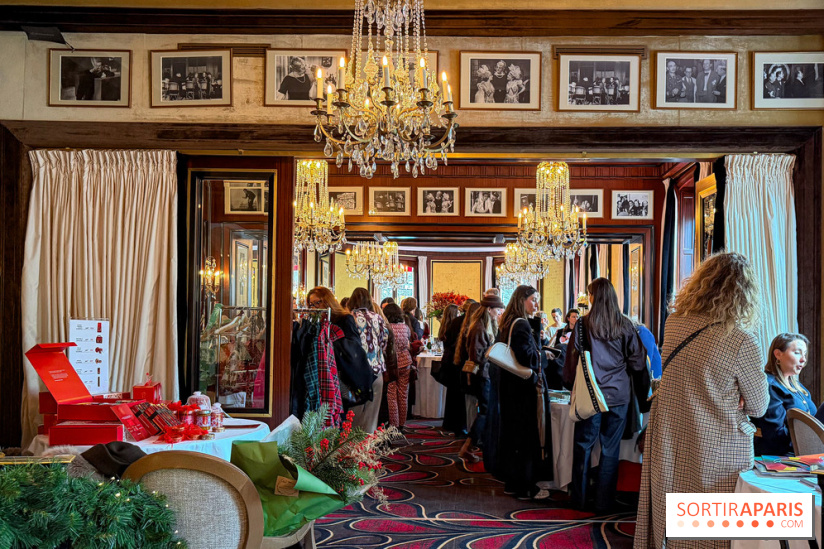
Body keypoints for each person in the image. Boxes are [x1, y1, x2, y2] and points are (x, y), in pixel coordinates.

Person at [634, 252, 768, 549]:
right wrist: (738, 397)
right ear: (743, 293)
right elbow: (759, 406)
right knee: (711, 526)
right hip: (719, 445)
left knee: (673, 511)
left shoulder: (675, 323)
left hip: (671, 435)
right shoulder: (741, 340)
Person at [564, 278, 646, 512]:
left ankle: (579, 501)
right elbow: (639, 361)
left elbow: (571, 360)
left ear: (593, 297)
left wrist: (570, 386)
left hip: (590, 394)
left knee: (583, 447)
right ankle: (604, 503)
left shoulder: (582, 324)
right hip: (618, 396)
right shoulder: (625, 325)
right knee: (610, 450)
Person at [487, 285, 545, 499]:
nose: (536, 304)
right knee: (524, 436)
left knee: (513, 436)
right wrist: (542, 355)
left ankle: (513, 483)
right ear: (522, 300)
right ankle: (525, 487)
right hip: (520, 388)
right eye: (533, 299)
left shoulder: (508, 321)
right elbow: (527, 357)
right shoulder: (520, 324)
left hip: (509, 386)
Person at [458, 292, 505, 463]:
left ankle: (472, 446)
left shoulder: (486, 325)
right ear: (489, 309)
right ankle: (468, 446)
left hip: (485, 374)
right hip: (482, 375)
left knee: (486, 410)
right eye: (498, 309)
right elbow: (478, 356)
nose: (499, 312)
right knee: (485, 411)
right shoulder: (479, 327)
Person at [306, 287, 371, 410]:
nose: (314, 307)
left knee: (339, 412)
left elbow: (355, 347)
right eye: (311, 304)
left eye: (318, 302)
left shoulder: (344, 319)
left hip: (341, 373)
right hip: (321, 373)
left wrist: (330, 344)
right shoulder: (313, 323)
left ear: (327, 301)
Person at [753, 333, 815, 456]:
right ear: (778, 354)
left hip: (803, 453)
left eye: (804, 354)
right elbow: (775, 435)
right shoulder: (770, 385)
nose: (803, 359)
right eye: (797, 353)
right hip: (780, 457)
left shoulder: (797, 386)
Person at [347, 288, 390, 433]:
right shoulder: (377, 317)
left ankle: (351, 450)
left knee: (353, 415)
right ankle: (367, 450)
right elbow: (384, 341)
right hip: (376, 370)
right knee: (372, 416)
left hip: (355, 372)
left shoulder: (349, 317)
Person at [441, 300, 477, 435]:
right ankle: (462, 425)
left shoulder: (456, 321)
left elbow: (448, 339)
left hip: (452, 360)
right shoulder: (471, 323)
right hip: (463, 362)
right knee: (462, 395)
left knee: (453, 394)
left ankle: (450, 423)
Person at [383, 304, 414, 429]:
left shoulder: (387, 327)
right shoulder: (405, 327)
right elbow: (407, 344)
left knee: (391, 394)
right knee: (403, 393)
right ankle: (402, 423)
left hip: (392, 363)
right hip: (406, 362)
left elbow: (385, 348)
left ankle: (394, 424)